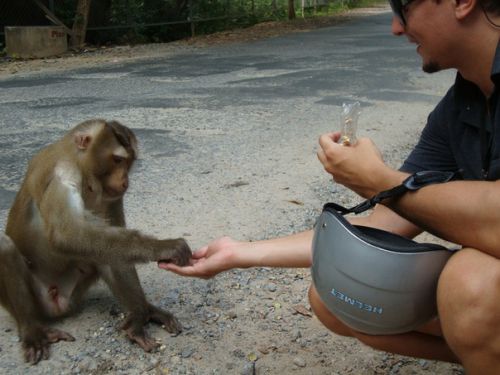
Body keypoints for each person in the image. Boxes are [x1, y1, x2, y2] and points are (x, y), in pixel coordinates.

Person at [160, 1, 500, 373]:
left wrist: (377, 180)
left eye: (403, 8)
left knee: (471, 284)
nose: (396, 29)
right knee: (340, 296)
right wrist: (240, 252)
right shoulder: (461, 104)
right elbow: (382, 225)